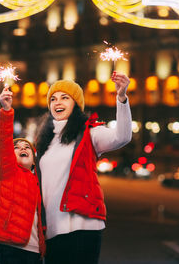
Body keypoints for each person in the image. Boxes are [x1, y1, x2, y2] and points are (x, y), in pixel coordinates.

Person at [35, 71, 132, 264]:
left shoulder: (90, 132)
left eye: (65, 97)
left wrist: (121, 98)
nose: (57, 102)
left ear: (76, 104)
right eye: (53, 99)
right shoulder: (44, 141)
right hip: (51, 228)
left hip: (83, 225)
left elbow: (122, 137)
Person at [0, 87, 46, 264]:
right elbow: (3, 141)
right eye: (16, 148)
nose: (23, 148)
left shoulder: (38, 181)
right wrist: (6, 111)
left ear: (34, 161)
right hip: (11, 245)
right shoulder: (8, 171)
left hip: (35, 249)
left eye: (27, 148)